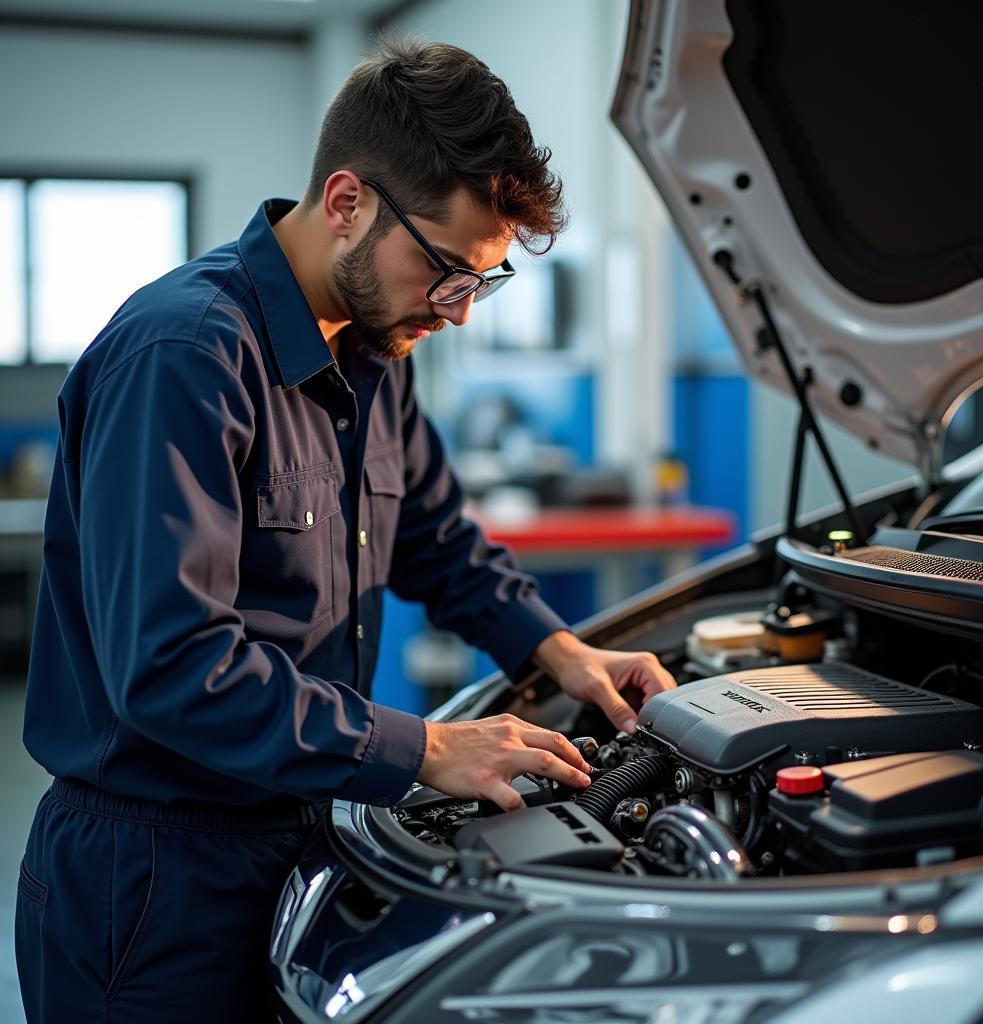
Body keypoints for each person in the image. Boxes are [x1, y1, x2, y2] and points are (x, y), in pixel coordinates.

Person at [15, 38, 676, 1022]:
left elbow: (441, 543)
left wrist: (562, 651)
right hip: (152, 872)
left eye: (478, 285)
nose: (453, 312)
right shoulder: (185, 353)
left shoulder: (374, 356)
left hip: (295, 832)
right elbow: (168, 663)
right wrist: (422, 748)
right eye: (445, 270)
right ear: (344, 202)